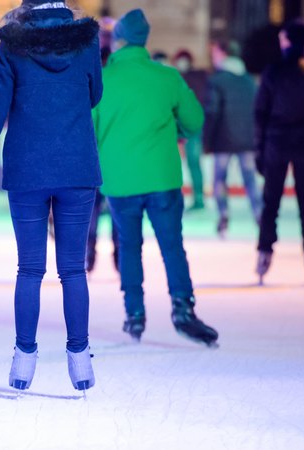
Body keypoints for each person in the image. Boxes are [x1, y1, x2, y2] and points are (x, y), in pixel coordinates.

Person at [0, 0, 102, 392]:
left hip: (27, 171)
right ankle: (80, 361)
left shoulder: (14, 45)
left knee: (30, 269)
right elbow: (95, 94)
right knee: (73, 269)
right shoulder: (87, 41)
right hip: (76, 166)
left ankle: (24, 359)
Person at [93, 8, 218, 347]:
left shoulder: (103, 80)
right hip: (162, 178)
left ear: (118, 40)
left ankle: (134, 314)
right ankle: (182, 307)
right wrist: (173, 127)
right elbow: (194, 120)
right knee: (171, 245)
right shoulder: (167, 77)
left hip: (120, 182)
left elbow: (90, 131)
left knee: (129, 247)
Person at [255, 19, 304, 281]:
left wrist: (259, 149)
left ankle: (264, 251)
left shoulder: (273, 72)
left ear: (289, 40)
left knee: (271, 201)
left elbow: (260, 114)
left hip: (277, 143)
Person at [204, 40, 261, 237]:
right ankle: (259, 215)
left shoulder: (218, 80)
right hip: (247, 138)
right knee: (250, 180)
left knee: (219, 179)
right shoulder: (248, 81)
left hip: (223, 138)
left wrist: (207, 140)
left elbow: (212, 111)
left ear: (222, 54)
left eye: (214, 53)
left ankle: (223, 215)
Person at [86, 14, 119, 273]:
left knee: (98, 204)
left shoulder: (90, 64)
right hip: (103, 148)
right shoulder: (111, 67)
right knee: (99, 204)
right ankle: (93, 253)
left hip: (103, 147)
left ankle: (100, 253)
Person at [173, 49, 208, 210]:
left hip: (191, 128)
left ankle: (198, 199)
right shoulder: (183, 77)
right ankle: (196, 198)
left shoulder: (191, 78)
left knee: (193, 163)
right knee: (190, 164)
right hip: (187, 127)